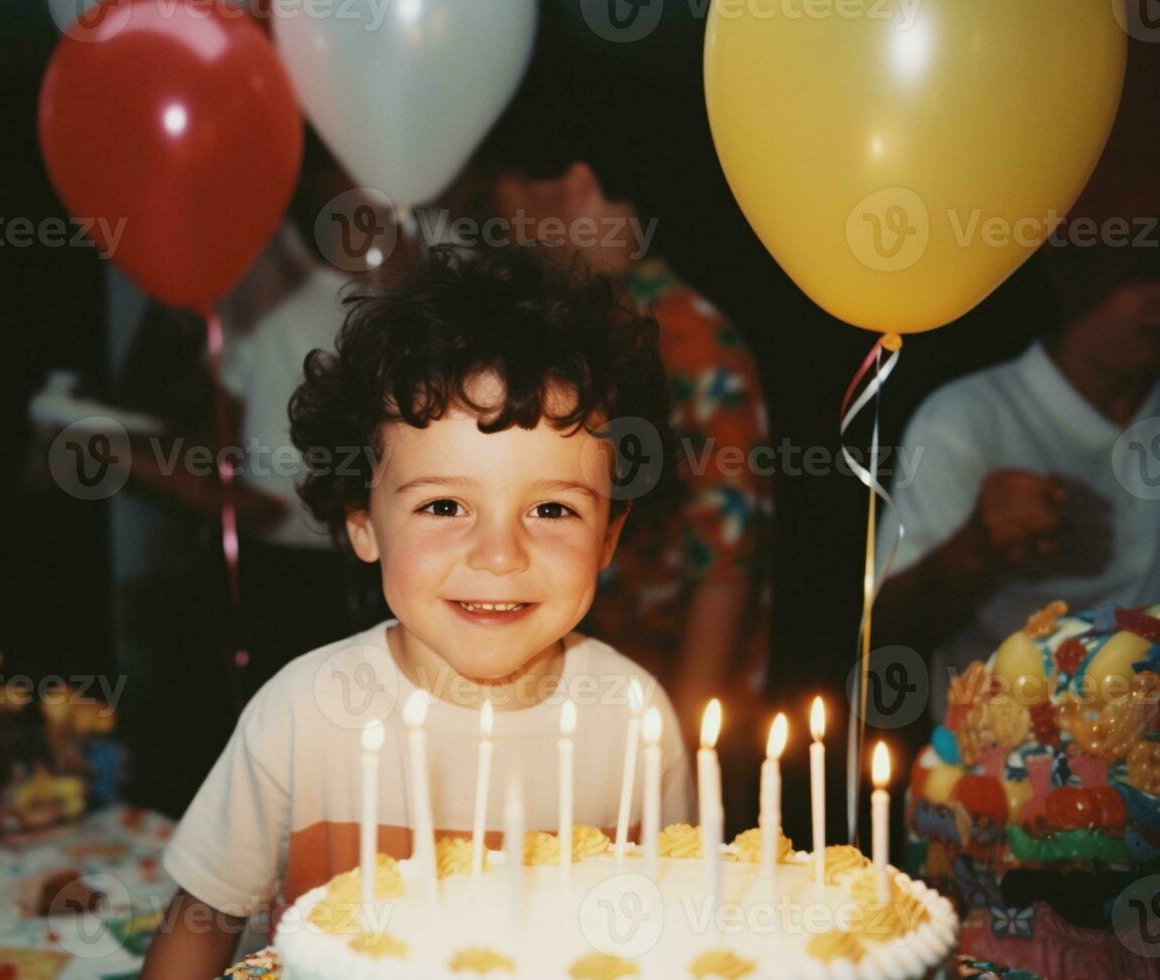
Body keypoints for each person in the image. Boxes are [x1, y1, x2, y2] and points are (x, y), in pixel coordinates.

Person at [139, 245, 694, 979]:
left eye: (552, 508)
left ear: (609, 535)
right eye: (444, 505)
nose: (500, 555)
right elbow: (197, 932)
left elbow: (679, 933)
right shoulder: (302, 717)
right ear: (362, 522)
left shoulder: (633, 720)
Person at [464, 28, 773, 766]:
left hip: (651, 733)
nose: (498, 221)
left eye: (499, 193)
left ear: (567, 184)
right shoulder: (565, 319)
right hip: (558, 720)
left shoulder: (691, 344)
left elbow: (721, 576)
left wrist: (678, 773)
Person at [874, 268, 1160, 717]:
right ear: (1069, 273)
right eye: (1140, 268)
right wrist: (977, 547)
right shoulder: (964, 419)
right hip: (999, 761)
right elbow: (884, 636)